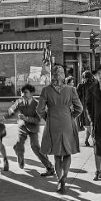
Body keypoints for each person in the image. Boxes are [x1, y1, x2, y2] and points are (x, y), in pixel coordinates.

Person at [36, 65, 83, 194]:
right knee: (67, 152)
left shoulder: (46, 90)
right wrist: (70, 116)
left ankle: (59, 180)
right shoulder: (71, 90)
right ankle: (64, 178)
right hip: (67, 122)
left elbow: (39, 110)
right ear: (63, 76)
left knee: (57, 154)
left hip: (53, 123)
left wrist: (48, 117)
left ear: (53, 75)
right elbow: (79, 108)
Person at [6, 84, 55, 177]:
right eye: (21, 92)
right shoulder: (19, 102)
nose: (22, 94)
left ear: (31, 93)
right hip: (22, 127)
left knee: (35, 147)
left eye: (25, 92)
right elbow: (12, 110)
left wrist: (26, 118)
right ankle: (20, 156)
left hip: (33, 127)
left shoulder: (37, 104)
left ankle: (49, 167)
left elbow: (37, 120)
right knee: (19, 145)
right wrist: (6, 115)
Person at [76, 70, 96, 146]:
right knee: (90, 124)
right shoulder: (95, 85)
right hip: (93, 107)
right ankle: (86, 140)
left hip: (85, 108)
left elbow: (77, 97)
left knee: (88, 124)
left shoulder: (81, 86)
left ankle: (95, 140)